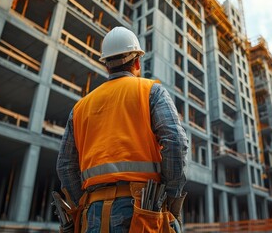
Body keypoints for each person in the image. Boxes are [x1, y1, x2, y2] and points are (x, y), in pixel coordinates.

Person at [57, 26, 188, 233]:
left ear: (106, 65)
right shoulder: (151, 92)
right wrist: (172, 198)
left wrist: (84, 203)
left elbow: (65, 166)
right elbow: (175, 142)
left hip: (92, 214)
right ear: (137, 61)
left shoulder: (80, 108)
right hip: (142, 211)